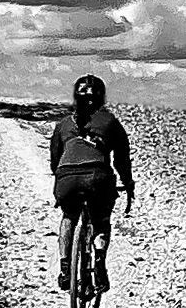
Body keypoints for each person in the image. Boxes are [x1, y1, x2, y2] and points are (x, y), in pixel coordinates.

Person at [50, 74, 135, 293]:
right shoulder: (110, 122)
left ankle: (65, 267)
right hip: (98, 177)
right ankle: (99, 261)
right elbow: (122, 159)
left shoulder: (63, 124)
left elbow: (55, 160)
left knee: (69, 217)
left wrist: (63, 183)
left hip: (66, 177)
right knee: (101, 221)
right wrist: (128, 184)